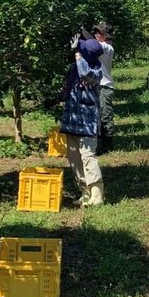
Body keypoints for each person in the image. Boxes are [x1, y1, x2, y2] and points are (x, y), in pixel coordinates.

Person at [59, 35, 106, 206]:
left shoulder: (96, 71)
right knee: (74, 157)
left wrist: (79, 56)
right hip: (72, 121)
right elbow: (67, 88)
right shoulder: (74, 69)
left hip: (87, 123)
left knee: (87, 157)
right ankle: (85, 191)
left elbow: (86, 75)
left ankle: (97, 194)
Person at [93, 21, 116, 154]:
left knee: (105, 115)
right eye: (96, 32)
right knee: (97, 115)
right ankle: (99, 142)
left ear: (105, 35)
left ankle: (107, 145)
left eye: (99, 33)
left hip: (105, 86)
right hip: (98, 85)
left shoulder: (107, 48)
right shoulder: (99, 46)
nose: (96, 35)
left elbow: (91, 45)